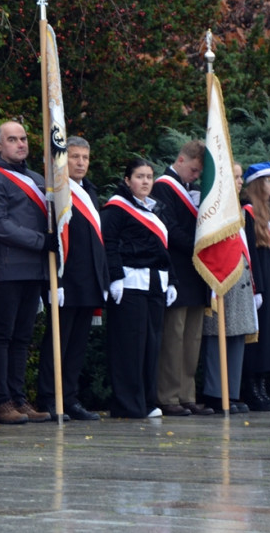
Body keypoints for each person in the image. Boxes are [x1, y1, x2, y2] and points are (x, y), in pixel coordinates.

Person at [0, 121, 52, 425]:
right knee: (2, 335)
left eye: (23, 139)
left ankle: (19, 399)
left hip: (34, 268)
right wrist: (40, 241)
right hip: (7, 267)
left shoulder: (36, 178)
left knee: (23, 337)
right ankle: (1, 401)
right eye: (12, 139)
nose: (20, 144)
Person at [36, 136, 107, 421]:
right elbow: (55, 238)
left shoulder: (90, 191)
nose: (80, 163)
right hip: (65, 278)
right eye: (75, 157)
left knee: (77, 345)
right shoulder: (56, 191)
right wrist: (57, 282)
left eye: (84, 158)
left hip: (88, 279)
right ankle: (49, 398)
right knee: (57, 342)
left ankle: (70, 397)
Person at [102, 158, 176, 419]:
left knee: (151, 345)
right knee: (130, 346)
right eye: (139, 176)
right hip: (129, 283)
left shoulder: (156, 209)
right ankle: (127, 404)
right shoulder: (116, 209)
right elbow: (108, 243)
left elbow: (165, 248)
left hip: (155, 283)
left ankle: (147, 401)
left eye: (148, 176)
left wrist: (172, 279)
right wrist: (114, 277)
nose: (145, 181)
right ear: (127, 180)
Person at [152, 140, 213, 416]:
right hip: (177, 267)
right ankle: (168, 396)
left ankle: (187, 394)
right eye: (194, 170)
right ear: (181, 160)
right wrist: (198, 246)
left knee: (192, 339)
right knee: (174, 337)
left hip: (196, 272)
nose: (196, 176)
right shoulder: (164, 186)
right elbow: (169, 228)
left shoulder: (193, 189)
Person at [199, 162, 257, 414]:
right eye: (235, 176)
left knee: (236, 338)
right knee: (217, 336)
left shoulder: (239, 210)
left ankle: (231, 392)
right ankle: (215, 393)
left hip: (240, 278)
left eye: (241, 176)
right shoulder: (213, 210)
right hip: (221, 279)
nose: (240, 181)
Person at [240, 163, 270, 412]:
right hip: (259, 285)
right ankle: (253, 389)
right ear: (258, 184)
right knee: (258, 339)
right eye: (269, 180)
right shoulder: (248, 213)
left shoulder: (269, 214)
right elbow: (250, 255)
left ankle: (263, 386)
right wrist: (256, 288)